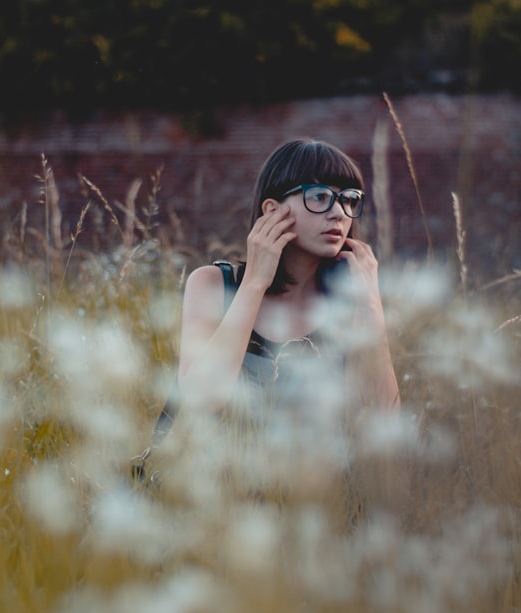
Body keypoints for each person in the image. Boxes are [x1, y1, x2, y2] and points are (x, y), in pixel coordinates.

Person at [171, 138, 400, 464]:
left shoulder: (348, 303)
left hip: (321, 496)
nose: (339, 213)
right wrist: (254, 284)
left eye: (349, 200)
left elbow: (385, 420)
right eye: (320, 196)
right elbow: (198, 400)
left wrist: (372, 304)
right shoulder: (213, 285)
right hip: (224, 491)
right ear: (272, 211)